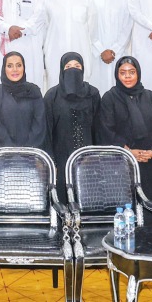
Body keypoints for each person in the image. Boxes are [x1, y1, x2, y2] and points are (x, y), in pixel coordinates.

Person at [97, 56, 152, 223]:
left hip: (151, 164)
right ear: (117, 75)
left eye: (132, 72)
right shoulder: (109, 98)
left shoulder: (151, 97)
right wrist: (129, 152)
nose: (127, 76)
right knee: (126, 216)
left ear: (138, 73)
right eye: (123, 73)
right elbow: (106, 130)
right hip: (122, 165)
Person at [44, 52, 100, 200]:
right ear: (62, 70)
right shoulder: (52, 96)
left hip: (89, 160)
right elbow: (47, 132)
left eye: (77, 66)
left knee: (89, 200)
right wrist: (51, 162)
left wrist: (98, 157)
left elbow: (98, 128)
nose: (73, 70)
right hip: (61, 161)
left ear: (83, 69)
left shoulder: (92, 93)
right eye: (68, 67)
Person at [42, 0, 91, 88]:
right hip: (55, 55)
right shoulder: (47, 2)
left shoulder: (87, 1)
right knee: (55, 90)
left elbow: (92, 29)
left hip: (82, 52)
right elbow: (44, 30)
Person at [0, 51, 47, 148]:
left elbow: (39, 124)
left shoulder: (34, 91)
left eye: (18, 65)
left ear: (24, 67)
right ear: (4, 69)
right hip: (3, 153)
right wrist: (10, 149)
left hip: (31, 154)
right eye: (10, 66)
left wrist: (27, 150)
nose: (15, 69)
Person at [87, 0, 132, 90]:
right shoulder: (90, 0)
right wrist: (100, 50)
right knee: (96, 89)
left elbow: (127, 27)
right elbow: (88, 29)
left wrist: (115, 50)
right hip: (96, 55)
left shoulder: (124, 0)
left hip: (119, 54)